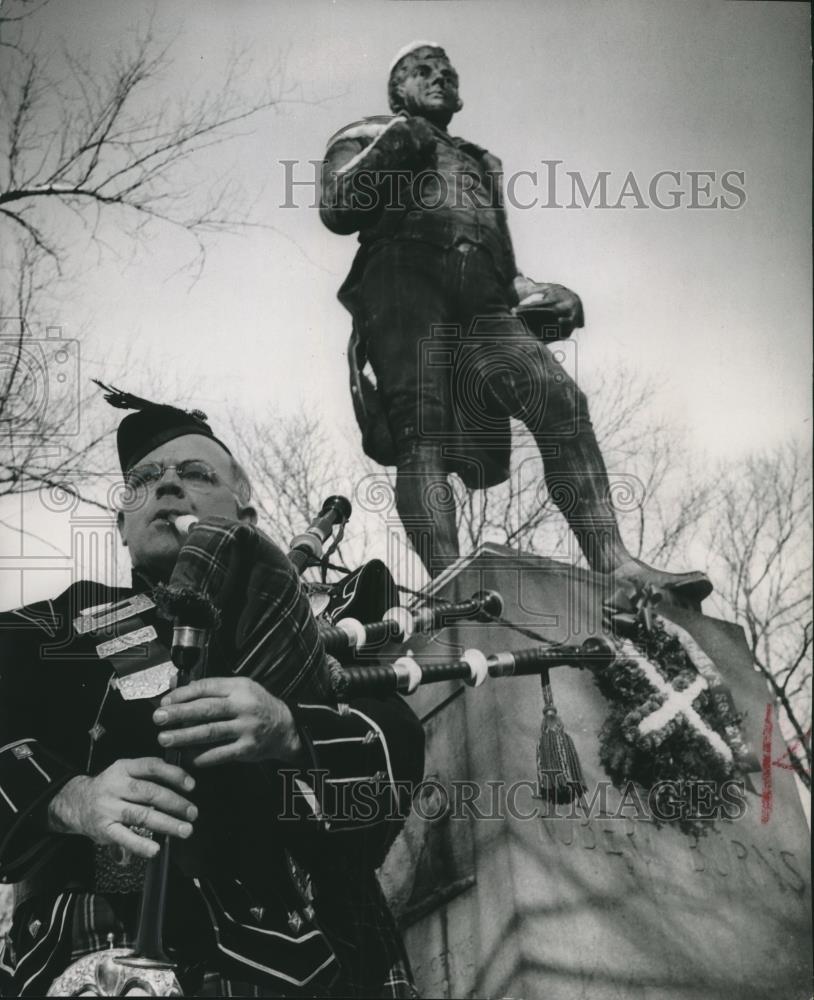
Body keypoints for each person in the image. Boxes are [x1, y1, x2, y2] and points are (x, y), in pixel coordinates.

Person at [0, 393, 424, 997]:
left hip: (305, 966)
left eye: (196, 475)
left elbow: (397, 750)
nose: (168, 486)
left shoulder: (303, 634)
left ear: (245, 520)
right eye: (144, 480)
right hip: (90, 959)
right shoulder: (56, 626)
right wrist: (71, 798)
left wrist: (290, 730)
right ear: (123, 526)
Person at [319, 41, 712, 605]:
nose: (439, 78)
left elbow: (501, 260)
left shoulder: (479, 162)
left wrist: (543, 293)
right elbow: (337, 206)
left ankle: (617, 564)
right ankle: (454, 589)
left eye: (447, 72)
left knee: (560, 401)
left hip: (482, 295)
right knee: (420, 429)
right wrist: (399, 139)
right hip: (402, 275)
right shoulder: (372, 131)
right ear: (397, 88)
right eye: (422, 71)